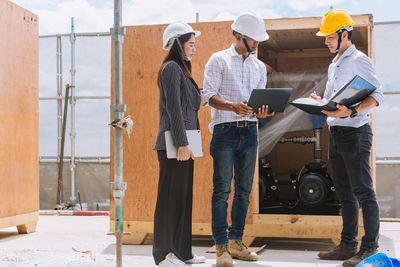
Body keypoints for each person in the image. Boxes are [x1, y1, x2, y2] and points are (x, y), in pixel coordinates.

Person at [310, 9, 384, 267]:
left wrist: (351, 110)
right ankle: (347, 245)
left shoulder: (359, 60)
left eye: (329, 37)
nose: (326, 41)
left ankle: (370, 248)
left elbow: (377, 96)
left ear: (344, 34)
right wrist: (320, 102)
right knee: (343, 192)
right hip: (338, 133)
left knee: (364, 191)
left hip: (356, 133)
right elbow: (332, 97)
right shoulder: (335, 63)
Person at [203, 12, 274, 267]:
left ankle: (236, 241)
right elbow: (208, 96)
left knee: (244, 191)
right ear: (238, 36)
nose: (257, 44)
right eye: (253, 39)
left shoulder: (258, 67)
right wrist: (233, 107)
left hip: (251, 131)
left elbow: (260, 101)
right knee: (222, 190)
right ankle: (221, 247)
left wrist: (264, 111)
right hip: (224, 132)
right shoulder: (217, 60)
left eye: (258, 40)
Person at [152, 21, 206, 267]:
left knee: (183, 199)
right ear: (177, 44)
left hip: (185, 144)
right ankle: (163, 255)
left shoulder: (183, 70)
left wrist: (188, 144)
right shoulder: (171, 69)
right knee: (169, 199)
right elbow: (173, 109)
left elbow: (189, 105)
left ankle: (184, 252)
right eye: (191, 44)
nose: (194, 49)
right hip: (174, 144)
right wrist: (182, 143)